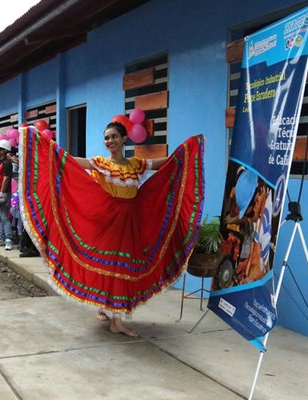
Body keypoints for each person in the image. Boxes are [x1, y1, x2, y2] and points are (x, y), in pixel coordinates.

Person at [18, 121, 205, 337]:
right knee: (115, 267)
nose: (110, 141)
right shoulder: (101, 164)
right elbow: (68, 161)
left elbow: (167, 163)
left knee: (124, 268)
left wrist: (186, 151)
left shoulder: (136, 164)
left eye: (114, 136)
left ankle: (114, 314)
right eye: (106, 138)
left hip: (131, 222)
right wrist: (45, 146)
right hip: (108, 221)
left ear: (124, 139)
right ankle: (116, 320)